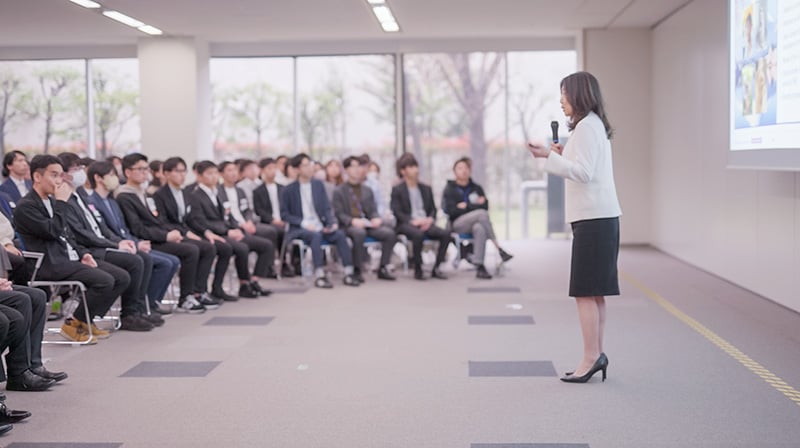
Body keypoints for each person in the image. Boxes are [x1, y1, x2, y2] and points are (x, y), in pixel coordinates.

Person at [527, 71, 621, 384]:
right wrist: (550, 155)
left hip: (594, 220)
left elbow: (583, 172)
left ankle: (590, 357)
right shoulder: (592, 126)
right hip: (598, 218)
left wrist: (552, 161)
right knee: (594, 293)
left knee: (585, 292)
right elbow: (582, 165)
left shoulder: (587, 127)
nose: (561, 102)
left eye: (564, 95)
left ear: (578, 95)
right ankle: (596, 354)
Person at [14, 155, 127, 344]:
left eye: (60, 175)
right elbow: (53, 231)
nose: (59, 181)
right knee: (104, 280)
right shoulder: (26, 206)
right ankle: (73, 324)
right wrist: (62, 203)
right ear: (37, 176)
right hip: (49, 263)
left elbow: (68, 235)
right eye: (54, 175)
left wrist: (84, 254)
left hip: (70, 258)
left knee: (121, 277)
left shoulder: (52, 201)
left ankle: (86, 321)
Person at [119, 156, 216, 313]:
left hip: (159, 235)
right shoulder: (125, 196)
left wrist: (173, 233)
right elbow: (138, 228)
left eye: (146, 169)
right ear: (127, 172)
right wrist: (166, 235)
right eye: (140, 169)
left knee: (204, 247)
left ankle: (158, 301)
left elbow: (158, 221)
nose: (145, 173)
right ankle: (182, 297)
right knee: (189, 251)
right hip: (147, 241)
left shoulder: (145, 194)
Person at [87, 160, 180, 315]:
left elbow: (123, 230)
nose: (115, 179)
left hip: (125, 242)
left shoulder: (111, 202)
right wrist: (131, 244)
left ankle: (146, 305)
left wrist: (135, 242)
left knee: (166, 261)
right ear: (98, 178)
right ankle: (134, 309)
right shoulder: (93, 203)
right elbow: (105, 232)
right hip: (108, 247)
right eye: (111, 175)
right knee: (142, 260)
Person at [281, 153, 359, 288]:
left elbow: (326, 208)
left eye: (310, 164)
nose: (310, 168)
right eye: (306, 165)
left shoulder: (318, 185)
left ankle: (348, 272)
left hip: (319, 224)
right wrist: (304, 223)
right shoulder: (288, 190)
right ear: (297, 169)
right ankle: (320, 274)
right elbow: (285, 215)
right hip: (301, 228)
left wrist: (331, 223)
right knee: (315, 235)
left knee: (339, 234)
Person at [441, 156, 513, 279]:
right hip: (457, 224)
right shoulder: (449, 189)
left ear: (470, 170)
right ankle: (498, 247)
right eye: (460, 168)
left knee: (480, 228)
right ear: (455, 171)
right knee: (481, 215)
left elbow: (485, 206)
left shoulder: (476, 188)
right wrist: (473, 206)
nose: (464, 171)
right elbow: (450, 210)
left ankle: (479, 266)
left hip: (475, 223)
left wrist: (465, 206)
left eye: (466, 168)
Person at [332, 156, 397, 282]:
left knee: (389, 234)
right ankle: (357, 269)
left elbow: (372, 210)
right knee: (358, 233)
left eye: (359, 166)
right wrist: (352, 221)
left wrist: (375, 218)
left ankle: (383, 267)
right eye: (353, 167)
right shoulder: (339, 191)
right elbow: (339, 213)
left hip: (367, 223)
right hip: (349, 225)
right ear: (346, 170)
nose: (357, 170)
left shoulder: (367, 190)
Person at [390, 153, 450, 281]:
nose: (415, 170)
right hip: (406, 224)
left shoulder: (426, 188)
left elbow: (433, 209)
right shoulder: (397, 189)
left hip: (426, 222)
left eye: (415, 166)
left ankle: (437, 267)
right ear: (403, 171)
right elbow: (397, 211)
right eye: (411, 167)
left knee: (446, 234)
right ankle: (418, 269)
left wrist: (430, 219)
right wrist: (413, 221)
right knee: (418, 235)